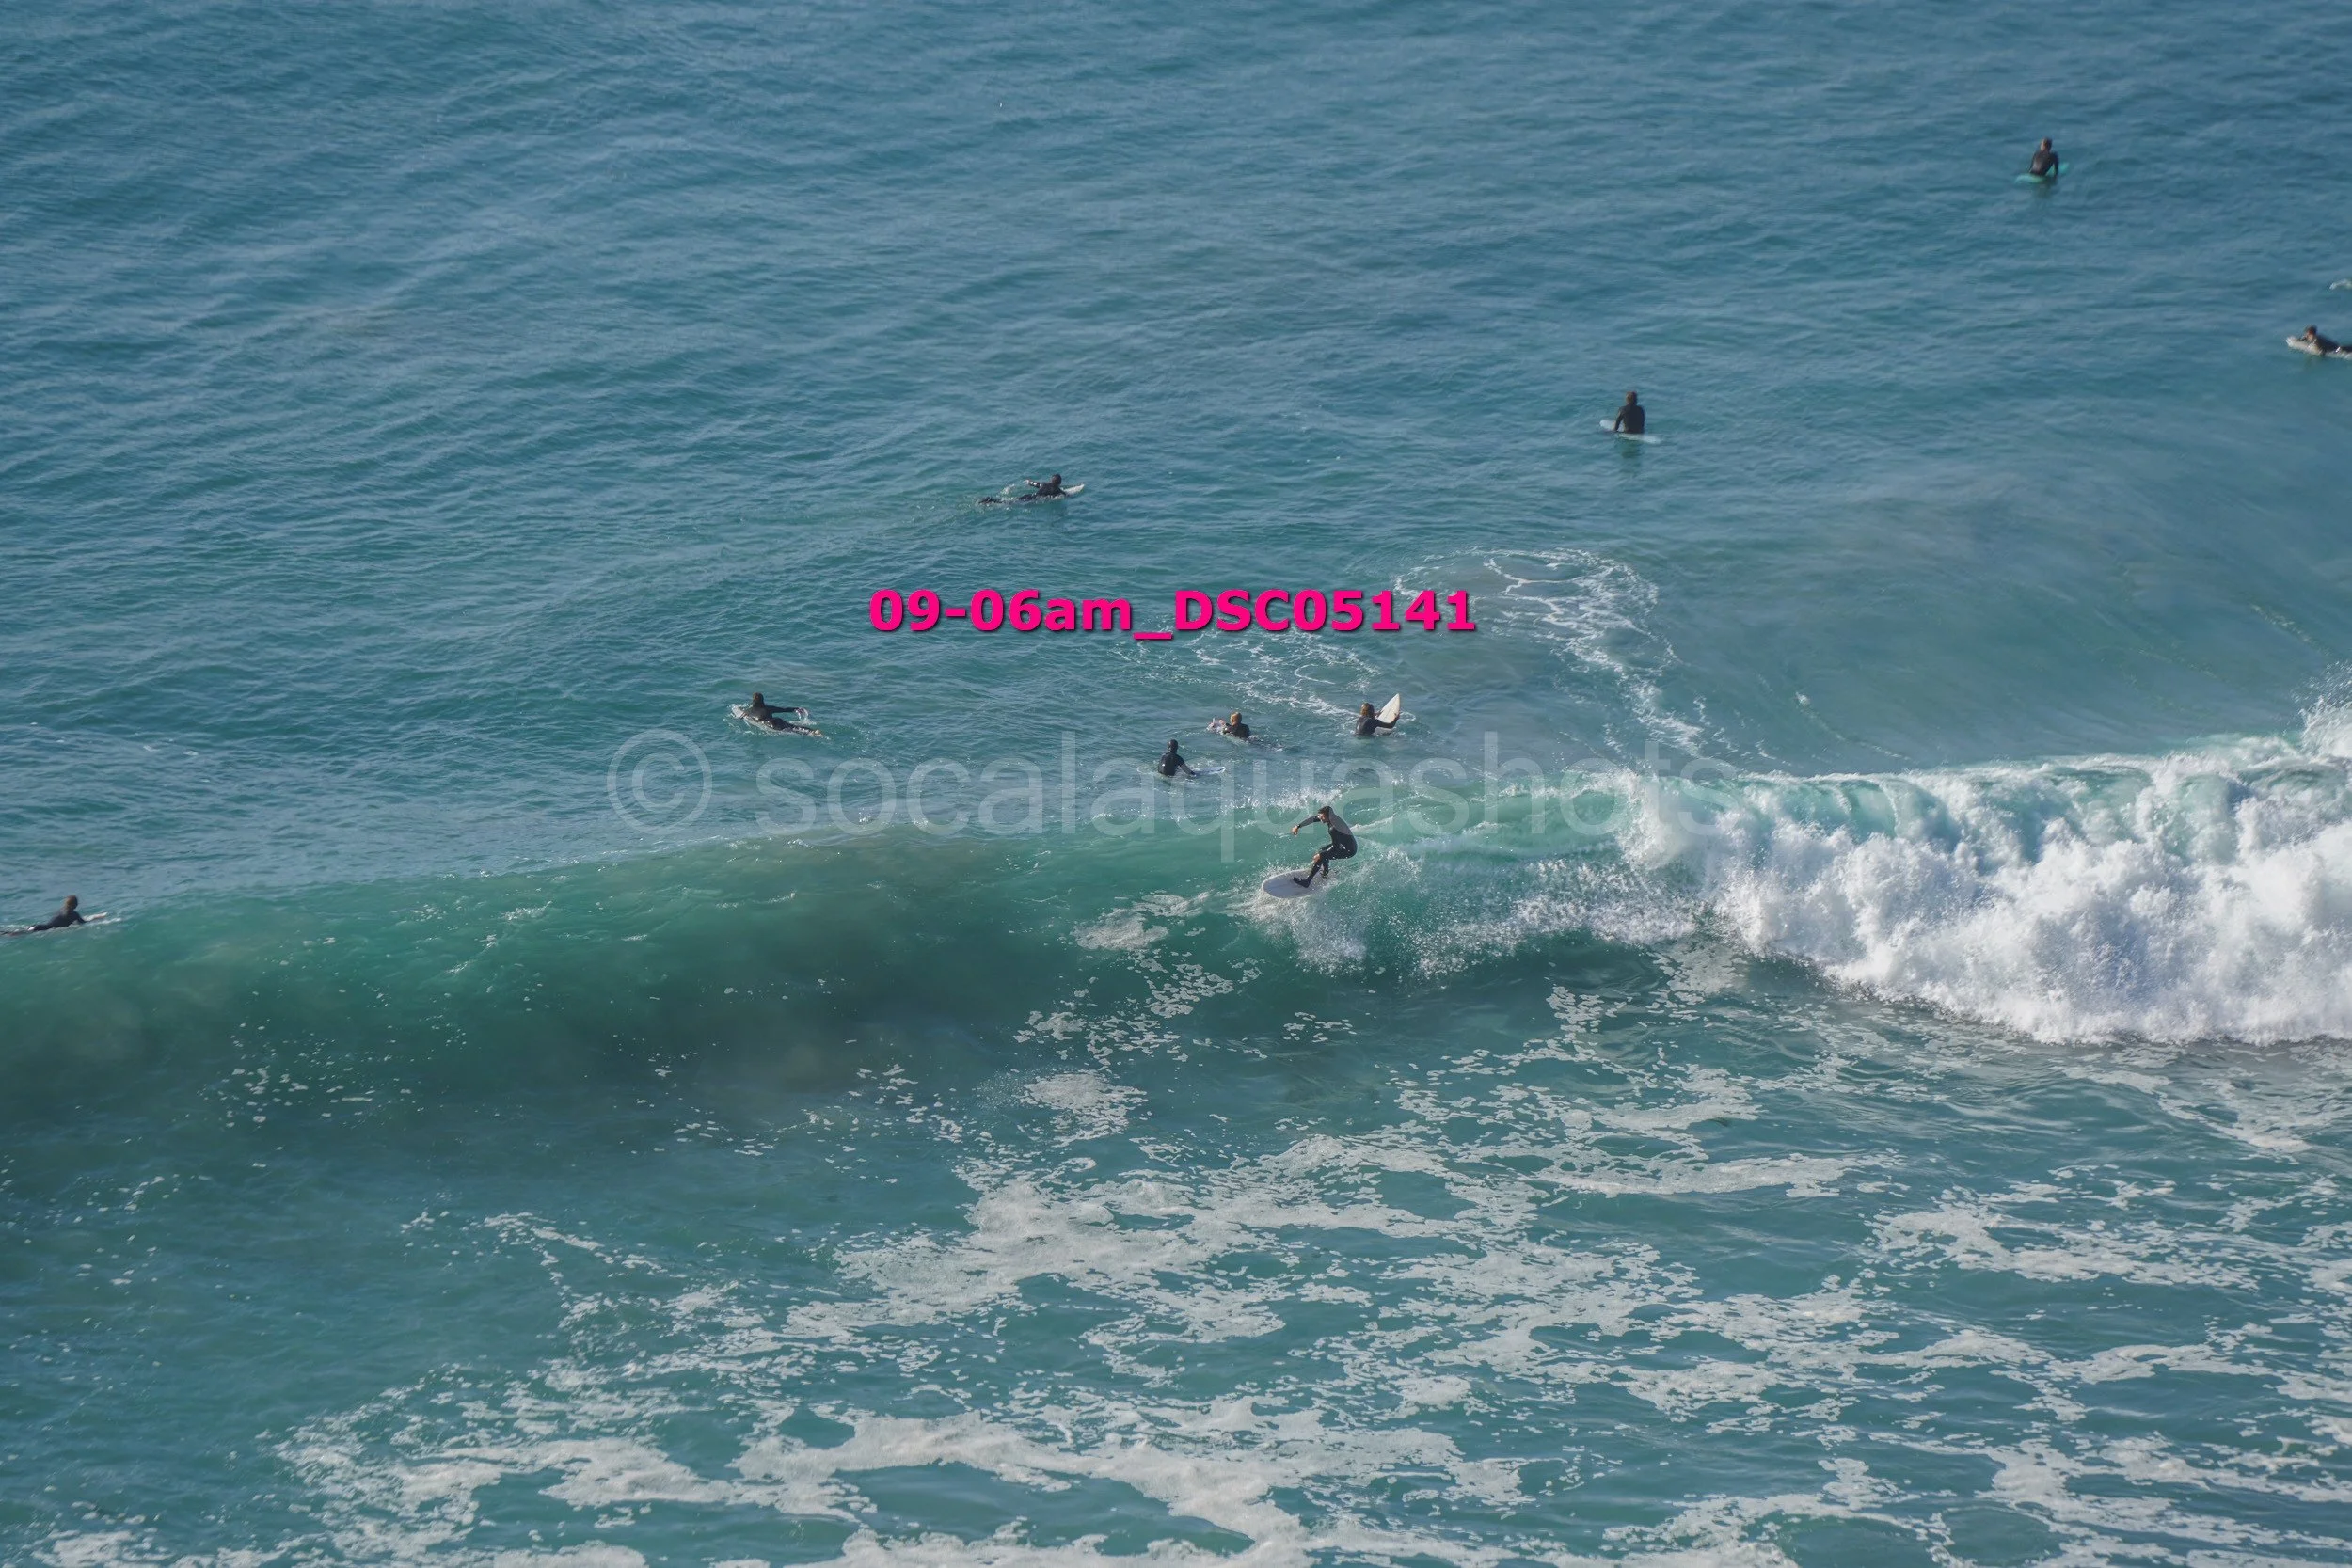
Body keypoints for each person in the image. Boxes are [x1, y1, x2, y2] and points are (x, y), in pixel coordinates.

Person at [1290, 804, 1357, 888]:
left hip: (1348, 850)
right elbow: (1313, 819)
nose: (1320, 818)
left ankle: (1307, 881)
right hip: (1343, 844)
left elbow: (1335, 848)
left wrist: (1321, 855)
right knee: (1322, 851)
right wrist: (1298, 826)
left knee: (1322, 856)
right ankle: (1325, 873)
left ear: (1328, 817)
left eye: (1322, 817)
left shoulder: (1334, 828)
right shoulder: (1330, 818)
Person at [745, 692, 817, 734]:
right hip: (777, 720)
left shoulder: (748, 711)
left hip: (769, 724)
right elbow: (784, 709)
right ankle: (813, 731)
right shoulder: (768, 708)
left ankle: (812, 733)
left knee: (793, 731)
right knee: (795, 727)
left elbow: (742, 716)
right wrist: (796, 709)